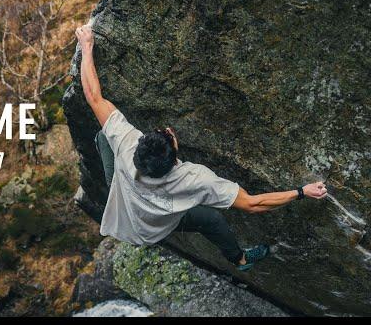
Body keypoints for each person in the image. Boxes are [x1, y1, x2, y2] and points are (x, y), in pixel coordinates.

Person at [75, 24, 328, 271]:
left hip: (125, 212)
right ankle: (239, 259)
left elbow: (93, 95)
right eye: (167, 135)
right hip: (156, 225)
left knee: (104, 134)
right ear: (174, 159)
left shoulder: (127, 143)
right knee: (212, 220)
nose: (169, 131)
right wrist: (301, 191)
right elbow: (253, 204)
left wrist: (86, 49)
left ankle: (238, 259)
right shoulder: (196, 180)